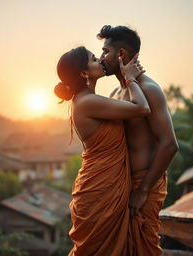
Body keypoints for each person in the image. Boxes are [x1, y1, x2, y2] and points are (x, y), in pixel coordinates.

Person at [54, 46, 150, 255]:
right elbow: (142, 108)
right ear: (83, 73)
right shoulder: (88, 102)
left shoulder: (88, 100)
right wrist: (130, 78)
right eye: (94, 59)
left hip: (104, 182)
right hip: (101, 186)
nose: (101, 61)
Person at [98, 25, 179, 255]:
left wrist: (143, 190)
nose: (102, 58)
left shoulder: (149, 89)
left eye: (105, 52)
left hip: (145, 186)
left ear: (121, 54)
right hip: (121, 186)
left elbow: (169, 144)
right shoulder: (115, 93)